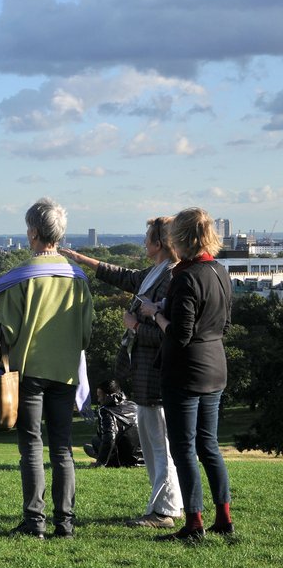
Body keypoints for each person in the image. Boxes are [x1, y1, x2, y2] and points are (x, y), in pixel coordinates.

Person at [0, 197, 93, 539]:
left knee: (31, 447)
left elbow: (7, 333)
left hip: (29, 372)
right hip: (65, 372)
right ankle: (66, 524)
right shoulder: (77, 278)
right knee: (62, 448)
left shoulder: (22, 277)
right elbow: (87, 333)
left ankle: (35, 522)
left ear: (33, 232)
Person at [62, 217, 183, 528]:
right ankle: (163, 507)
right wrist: (79, 258)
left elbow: (171, 333)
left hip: (155, 372)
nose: (144, 243)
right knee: (154, 442)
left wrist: (136, 326)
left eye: (147, 238)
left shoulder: (170, 277)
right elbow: (122, 276)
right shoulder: (156, 273)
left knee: (159, 443)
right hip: (145, 372)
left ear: (159, 243)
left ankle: (165, 511)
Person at [140, 207, 233, 541]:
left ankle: (194, 523)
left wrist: (154, 314)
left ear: (178, 238)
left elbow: (178, 335)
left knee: (183, 448)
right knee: (209, 445)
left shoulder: (184, 276)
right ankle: (224, 517)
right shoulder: (219, 270)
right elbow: (223, 322)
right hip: (215, 366)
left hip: (184, 371)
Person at [84, 380, 143, 467]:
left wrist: (100, 463)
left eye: (99, 396)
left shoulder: (105, 411)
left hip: (123, 461)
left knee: (94, 440)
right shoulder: (134, 406)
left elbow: (109, 438)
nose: (98, 400)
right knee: (91, 444)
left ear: (107, 396)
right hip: (143, 459)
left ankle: (102, 458)